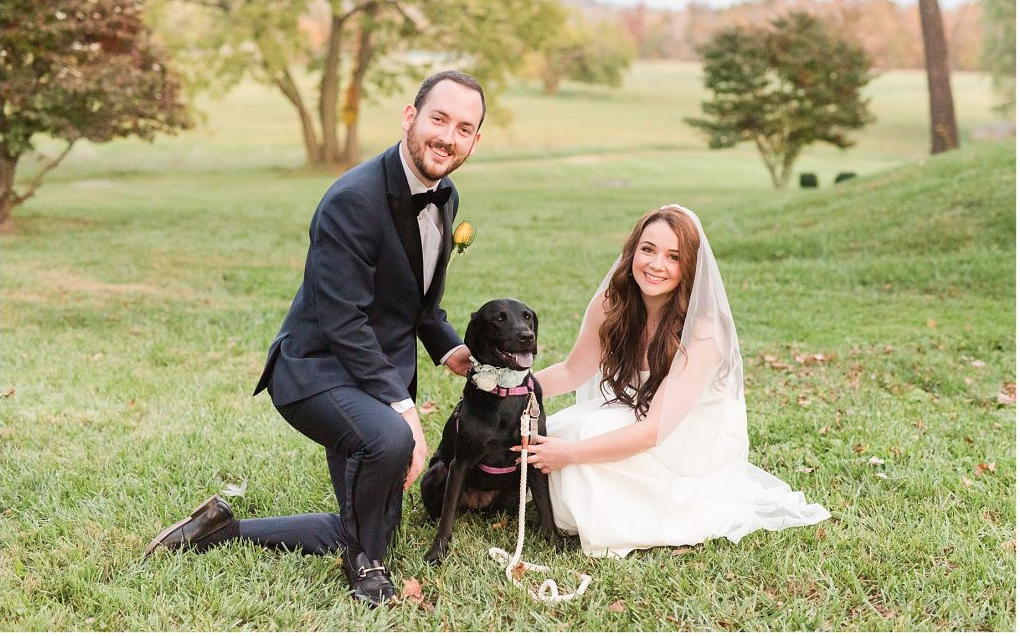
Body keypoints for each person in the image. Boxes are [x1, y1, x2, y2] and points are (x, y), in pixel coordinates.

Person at [144, 71, 485, 607]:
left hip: (369, 373)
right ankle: (365, 571)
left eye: (463, 128)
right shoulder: (352, 199)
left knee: (372, 527)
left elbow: (418, 304)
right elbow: (341, 321)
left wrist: (448, 348)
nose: (447, 137)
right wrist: (404, 409)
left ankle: (220, 530)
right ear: (409, 117)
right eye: (438, 119)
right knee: (391, 443)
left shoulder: (445, 196)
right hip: (315, 369)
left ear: (475, 141)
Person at [517, 205, 830, 558]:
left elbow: (654, 431)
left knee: (578, 441)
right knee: (558, 429)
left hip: (687, 439)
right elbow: (573, 370)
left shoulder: (704, 329)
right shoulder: (613, 303)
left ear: (690, 266)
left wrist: (570, 456)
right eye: (648, 249)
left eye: (673, 257)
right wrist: (507, 390)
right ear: (633, 249)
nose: (655, 265)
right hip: (639, 412)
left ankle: (616, 511)